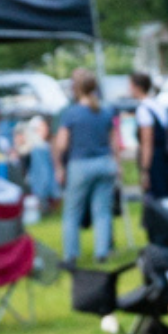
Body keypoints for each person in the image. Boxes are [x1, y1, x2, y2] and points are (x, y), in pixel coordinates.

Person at [53, 67, 120, 266]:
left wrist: (58, 165)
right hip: (105, 164)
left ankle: (71, 255)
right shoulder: (106, 111)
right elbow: (114, 142)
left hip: (80, 165)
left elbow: (62, 144)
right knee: (102, 211)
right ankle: (102, 252)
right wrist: (118, 164)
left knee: (72, 212)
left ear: (75, 89)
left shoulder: (71, 114)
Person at [128, 69, 168, 200]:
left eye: (130, 86)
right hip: (166, 157)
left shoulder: (143, 110)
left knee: (157, 201)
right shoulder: (158, 104)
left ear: (137, 87)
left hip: (155, 160)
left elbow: (147, 142)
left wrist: (145, 171)